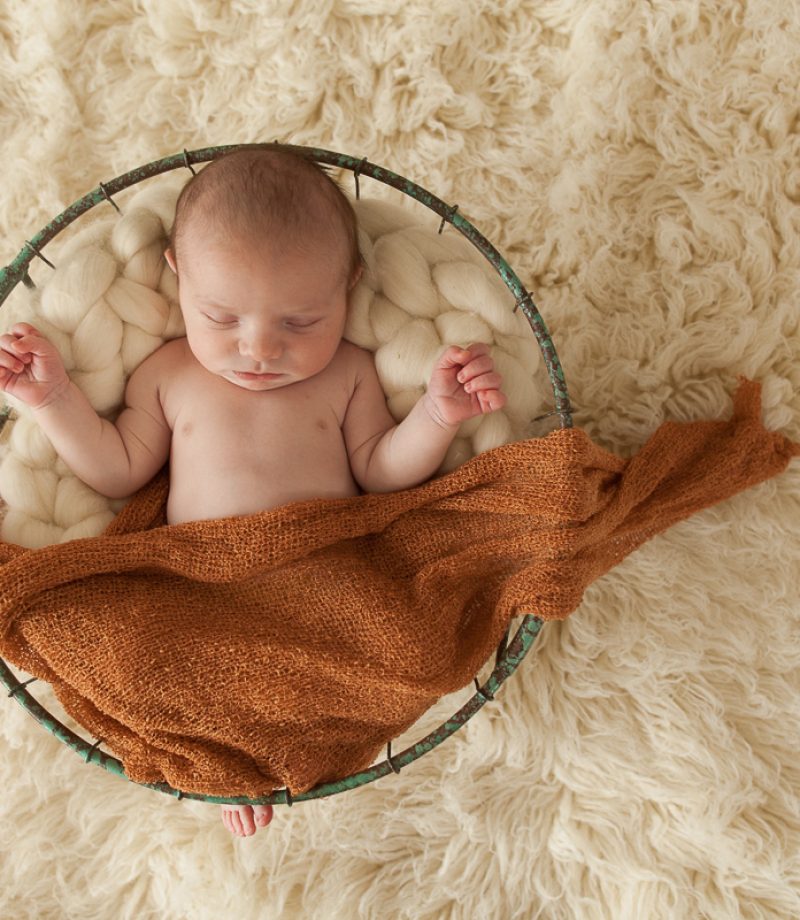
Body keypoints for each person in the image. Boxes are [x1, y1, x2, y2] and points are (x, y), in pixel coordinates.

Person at [0, 146, 507, 837]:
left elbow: (382, 472)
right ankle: (218, 757)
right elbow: (117, 472)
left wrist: (436, 416)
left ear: (349, 286)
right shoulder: (168, 373)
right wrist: (53, 398)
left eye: (300, 323)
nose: (259, 350)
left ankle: (259, 751)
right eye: (222, 318)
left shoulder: (349, 374)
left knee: (414, 646)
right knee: (129, 653)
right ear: (179, 279)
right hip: (198, 585)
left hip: (325, 579)